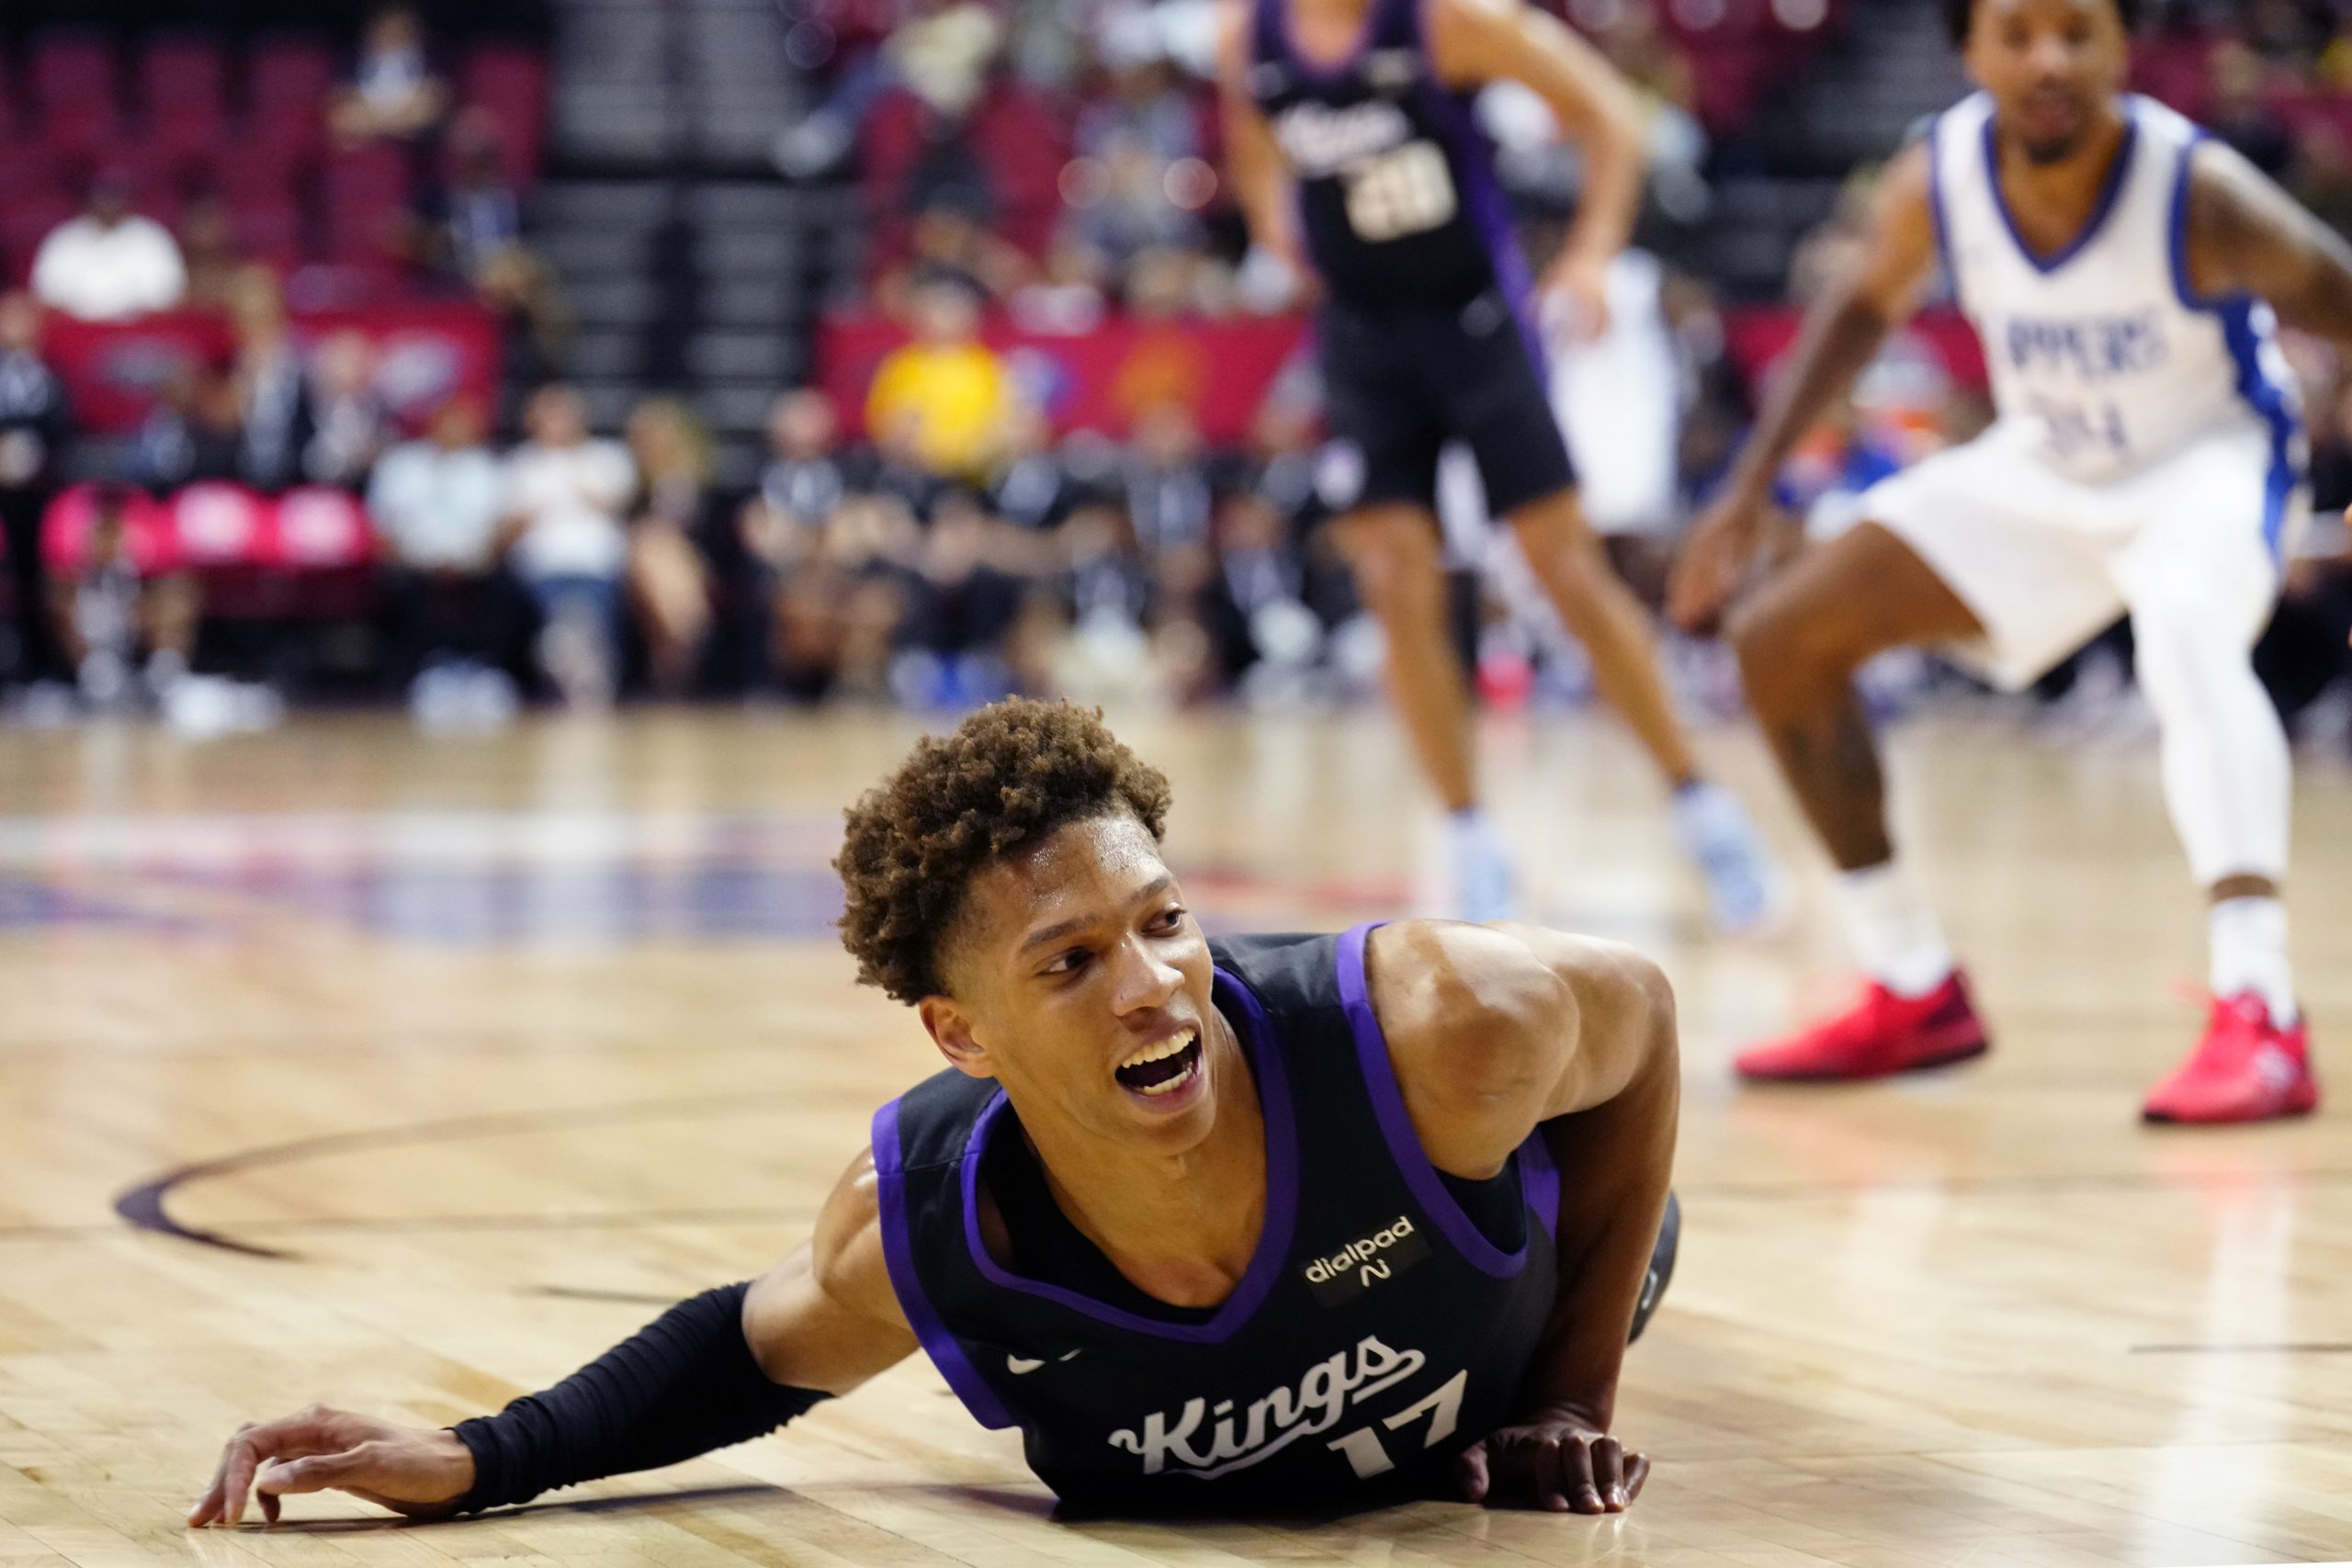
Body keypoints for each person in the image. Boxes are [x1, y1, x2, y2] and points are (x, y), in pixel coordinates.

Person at [187, 699, 1679, 1526]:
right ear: (960, 1032)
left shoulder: (1439, 1029)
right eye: (1073, 963)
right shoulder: (944, 1220)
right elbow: (754, 1347)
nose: (1156, 985)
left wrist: (1570, 1389)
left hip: (1526, 1255)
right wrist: (481, 1456)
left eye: (1164, 920)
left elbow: (1648, 1019)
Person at [1668, 0, 2344, 1123]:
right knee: (1780, 640)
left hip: (2208, 464)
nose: (2049, 60)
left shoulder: (2195, 190)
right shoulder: (1933, 177)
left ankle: (2258, 1004)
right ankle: (1909, 983)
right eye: (2017, 32)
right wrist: (1742, 495)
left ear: (2121, 48)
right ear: (1967, 52)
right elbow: (1855, 311)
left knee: (2182, 625)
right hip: (2053, 464)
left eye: (2077, 32)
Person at [1218, 0, 1770, 921]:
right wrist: (1276, 225)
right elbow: (1250, 138)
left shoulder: (1449, 23)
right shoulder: (1249, 38)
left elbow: (1610, 113)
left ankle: (1699, 804)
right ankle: (1466, 830)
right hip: (1360, 337)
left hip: (1474, 324)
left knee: (1564, 569)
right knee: (1396, 579)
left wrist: (1592, 253)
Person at [368, 396, 520, 715]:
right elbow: (383, 529)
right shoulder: (403, 466)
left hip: (476, 565)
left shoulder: (487, 468)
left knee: (504, 588)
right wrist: (419, 560)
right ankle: (425, 673)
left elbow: (504, 528)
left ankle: (482, 671)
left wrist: (477, 559)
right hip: (416, 564)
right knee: (402, 588)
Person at [502, 385, 637, 708]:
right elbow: (506, 529)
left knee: (587, 602)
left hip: (596, 566)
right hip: (544, 568)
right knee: (562, 604)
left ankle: (574, 658)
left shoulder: (606, 456)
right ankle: (577, 664)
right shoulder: (521, 464)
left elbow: (618, 507)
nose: (556, 422)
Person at [0, 294, 71, 684]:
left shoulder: (48, 378)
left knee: (37, 576)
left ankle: (41, 662)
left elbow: (63, 427)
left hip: (38, 493)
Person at [29, 172, 187, 322]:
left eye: (114, 198)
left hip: (140, 329)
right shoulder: (63, 238)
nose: (109, 205)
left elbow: (168, 296)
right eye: (103, 198)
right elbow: (47, 295)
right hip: (77, 330)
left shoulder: (153, 237)